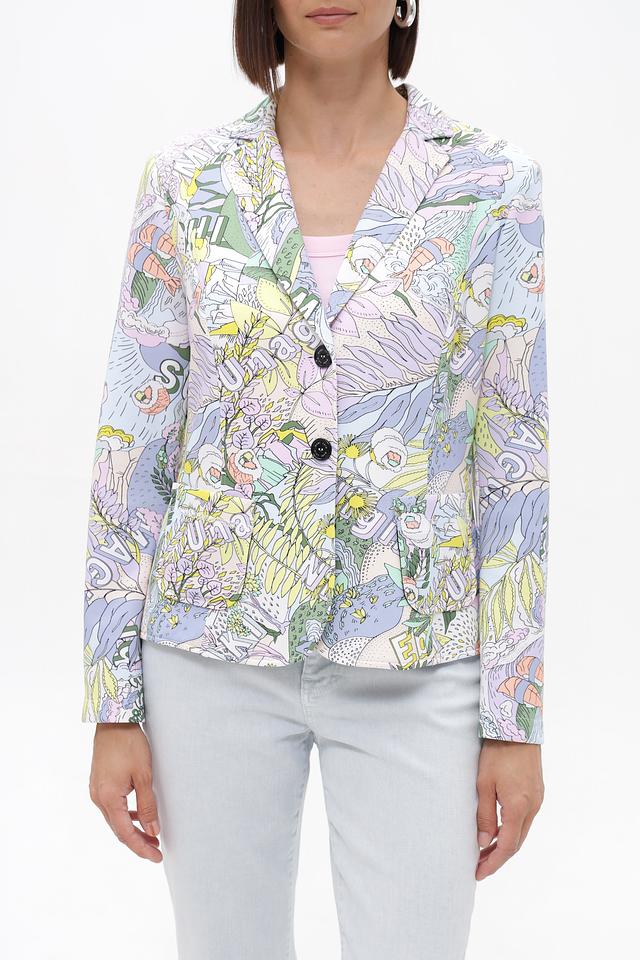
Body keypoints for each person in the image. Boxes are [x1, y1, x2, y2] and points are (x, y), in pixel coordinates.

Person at [83, 2, 549, 957]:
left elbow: (515, 460)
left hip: (417, 660)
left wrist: (518, 719)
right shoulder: (187, 181)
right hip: (209, 653)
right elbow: (134, 444)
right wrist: (113, 702)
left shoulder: (493, 183)